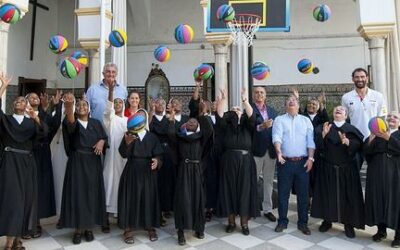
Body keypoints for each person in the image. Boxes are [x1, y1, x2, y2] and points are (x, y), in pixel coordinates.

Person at [0, 72, 48, 250]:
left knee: (25, 201)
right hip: (10, 163)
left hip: (28, 164)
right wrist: (3, 86)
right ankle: (10, 241)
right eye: (16, 101)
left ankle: (17, 239)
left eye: (22, 101)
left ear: (27, 105)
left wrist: (35, 117)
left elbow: (44, 134)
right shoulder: (7, 120)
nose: (18, 102)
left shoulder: (31, 123)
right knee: (11, 200)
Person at [59, 93, 108, 244]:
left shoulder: (96, 123)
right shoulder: (70, 121)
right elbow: (72, 126)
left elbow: (105, 138)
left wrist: (101, 141)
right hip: (77, 163)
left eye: (84, 105)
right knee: (78, 195)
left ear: (89, 109)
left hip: (93, 163)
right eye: (78, 105)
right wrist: (68, 106)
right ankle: (78, 230)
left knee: (91, 194)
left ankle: (89, 228)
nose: (82, 107)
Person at [311, 106, 365, 238]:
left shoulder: (352, 130)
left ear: (346, 115)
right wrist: (323, 135)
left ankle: (349, 224)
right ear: (333, 114)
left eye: (341, 110)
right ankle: (327, 220)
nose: (338, 110)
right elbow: (317, 146)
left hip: (347, 170)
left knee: (348, 197)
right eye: (336, 109)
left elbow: (360, 146)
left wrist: (348, 142)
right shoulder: (325, 127)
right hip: (328, 169)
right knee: (327, 195)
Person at [168, 101, 213, 245]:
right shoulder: (180, 137)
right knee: (183, 199)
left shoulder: (201, 138)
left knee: (198, 199)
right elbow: (170, 135)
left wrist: (204, 113)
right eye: (190, 120)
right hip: (183, 171)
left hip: (197, 171)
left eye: (195, 120)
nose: (192, 121)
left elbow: (210, 131)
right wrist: (171, 120)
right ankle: (181, 231)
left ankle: (199, 228)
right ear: (184, 125)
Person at [216, 89, 259, 236]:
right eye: (233, 110)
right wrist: (223, 100)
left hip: (246, 161)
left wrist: (245, 101)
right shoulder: (225, 125)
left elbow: (252, 116)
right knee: (229, 190)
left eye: (238, 110)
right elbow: (220, 115)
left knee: (245, 191)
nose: (235, 112)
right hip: (229, 161)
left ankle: (244, 224)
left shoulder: (248, 124)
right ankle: (231, 222)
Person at [118, 109, 163, 244]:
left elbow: (159, 154)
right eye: (138, 115)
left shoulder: (152, 137)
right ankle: (127, 229)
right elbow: (123, 154)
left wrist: (157, 161)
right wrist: (127, 143)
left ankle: (150, 227)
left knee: (148, 198)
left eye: (142, 115)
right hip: (132, 170)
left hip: (148, 171)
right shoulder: (129, 135)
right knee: (130, 198)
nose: (140, 117)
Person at [272, 94, 315, 235]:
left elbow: (311, 141)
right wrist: (278, 152)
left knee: (303, 195)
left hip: (303, 163)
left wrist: (311, 159)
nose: (291, 102)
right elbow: (276, 137)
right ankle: (282, 221)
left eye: (294, 101)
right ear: (285, 105)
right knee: (283, 194)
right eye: (288, 101)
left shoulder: (306, 121)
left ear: (298, 105)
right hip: (285, 163)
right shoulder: (279, 120)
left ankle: (303, 223)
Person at [23, 91, 62, 238]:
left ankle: (36, 223)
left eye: (36, 97)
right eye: (31, 97)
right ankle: (24, 223)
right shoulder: (22, 115)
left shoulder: (44, 116)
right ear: (26, 101)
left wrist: (57, 105)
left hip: (43, 155)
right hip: (28, 154)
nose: (35, 98)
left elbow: (55, 124)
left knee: (39, 189)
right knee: (27, 189)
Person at [364, 111, 400, 247]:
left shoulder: (395, 135)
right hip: (377, 174)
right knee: (379, 201)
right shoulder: (377, 134)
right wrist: (371, 140)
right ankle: (381, 230)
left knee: (396, 203)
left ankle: (398, 236)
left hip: (395, 176)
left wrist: (389, 138)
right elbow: (366, 152)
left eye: (395, 117)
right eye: (389, 116)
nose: (391, 118)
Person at [102, 81, 128, 231]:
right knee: (109, 184)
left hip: (123, 158)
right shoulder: (111, 120)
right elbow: (107, 112)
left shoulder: (126, 120)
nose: (118, 104)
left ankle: (120, 216)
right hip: (111, 158)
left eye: (120, 102)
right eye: (115, 102)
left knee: (121, 186)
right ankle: (105, 218)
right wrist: (111, 92)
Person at [251, 86, 278, 222]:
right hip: (256, 151)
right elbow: (249, 127)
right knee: (252, 181)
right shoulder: (249, 110)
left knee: (268, 182)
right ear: (253, 95)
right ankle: (251, 209)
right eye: (257, 92)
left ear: (265, 95)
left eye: (262, 92)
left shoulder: (273, 111)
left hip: (271, 151)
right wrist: (262, 127)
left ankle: (267, 209)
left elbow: (278, 130)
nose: (259, 94)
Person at [341, 68, 387, 142]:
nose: (360, 79)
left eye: (362, 77)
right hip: (355, 138)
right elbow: (344, 119)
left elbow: (382, 117)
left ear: (367, 78)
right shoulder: (346, 97)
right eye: (357, 77)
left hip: (374, 138)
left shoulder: (378, 96)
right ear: (353, 79)